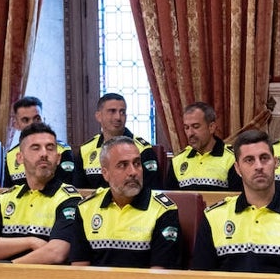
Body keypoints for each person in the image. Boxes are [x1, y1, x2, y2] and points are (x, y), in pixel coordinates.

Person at [193, 129, 280, 274]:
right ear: (237, 168)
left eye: (264, 158)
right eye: (249, 160)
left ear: (276, 163)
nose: (258, 166)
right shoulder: (213, 217)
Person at [0, 122, 81, 264]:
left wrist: (11, 267)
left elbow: (56, 252)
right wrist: (30, 242)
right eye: (35, 148)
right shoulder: (3, 199)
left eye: (50, 148)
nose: (44, 154)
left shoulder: (70, 199)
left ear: (58, 158)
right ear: (19, 158)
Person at [69, 137, 181, 269]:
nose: (133, 172)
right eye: (122, 165)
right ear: (105, 173)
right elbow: (79, 270)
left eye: (137, 163)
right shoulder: (86, 208)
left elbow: (159, 275)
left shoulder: (163, 210)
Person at [74, 93, 160, 190]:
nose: (118, 117)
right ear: (98, 116)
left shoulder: (142, 149)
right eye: (112, 111)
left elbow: (153, 190)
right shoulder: (86, 150)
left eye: (122, 112)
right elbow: (79, 191)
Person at [4, 96, 76, 187]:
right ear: (16, 125)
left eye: (37, 118)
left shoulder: (62, 150)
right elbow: (8, 192)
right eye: (25, 120)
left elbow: (68, 189)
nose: (32, 124)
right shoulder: (11, 155)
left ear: (44, 119)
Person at [166, 102, 239, 190]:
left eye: (196, 127)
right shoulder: (177, 161)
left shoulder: (231, 158)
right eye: (186, 128)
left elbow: (238, 199)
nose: (190, 133)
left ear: (211, 127)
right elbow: (170, 199)